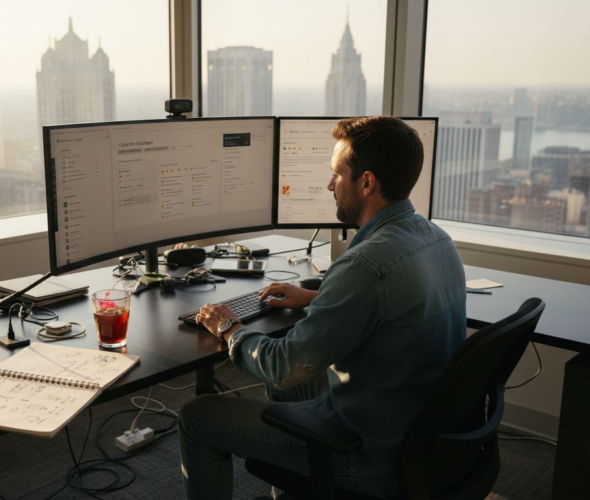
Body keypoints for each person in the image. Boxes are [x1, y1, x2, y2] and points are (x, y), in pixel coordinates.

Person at [178, 116, 466, 499]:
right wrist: (319, 297)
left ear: (366, 182)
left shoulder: (365, 265)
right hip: (422, 444)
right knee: (295, 389)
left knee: (198, 416)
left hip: (367, 457)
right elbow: (394, 307)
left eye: (337, 174)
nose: (330, 184)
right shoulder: (436, 239)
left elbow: (283, 369)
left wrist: (230, 328)